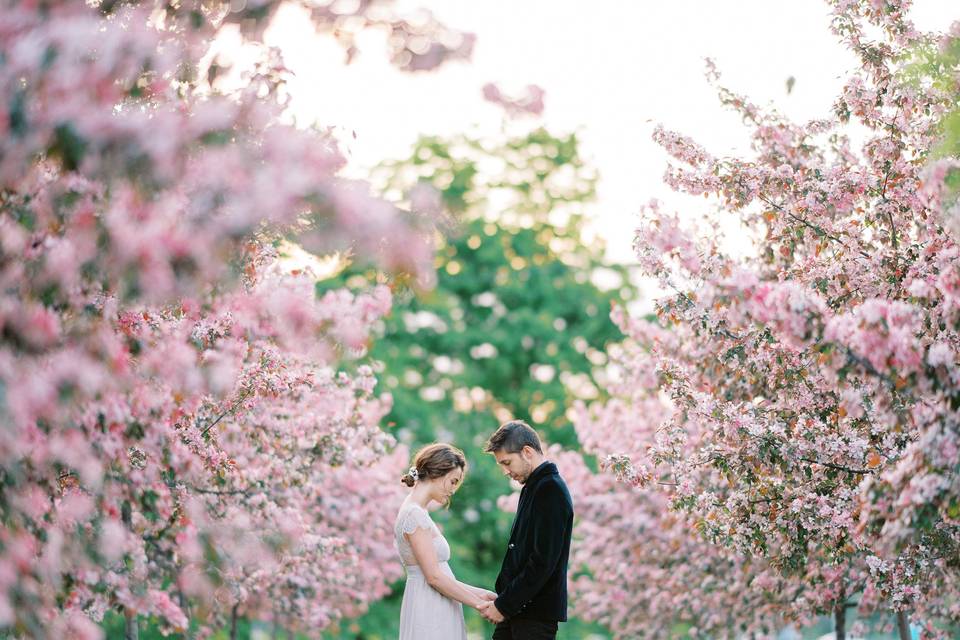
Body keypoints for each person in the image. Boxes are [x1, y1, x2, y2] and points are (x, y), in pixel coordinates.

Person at [479, 420, 574, 640]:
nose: (505, 471)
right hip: (517, 610)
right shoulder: (533, 487)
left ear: (527, 452)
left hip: (534, 616)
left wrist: (504, 605)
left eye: (507, 462)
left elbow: (543, 561)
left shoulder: (550, 489)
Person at [395, 443, 497, 639]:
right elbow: (434, 577)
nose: (453, 490)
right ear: (438, 473)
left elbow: (440, 575)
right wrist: (478, 604)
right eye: (453, 481)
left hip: (436, 601)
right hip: (429, 606)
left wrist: (481, 594)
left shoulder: (418, 511)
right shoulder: (413, 515)